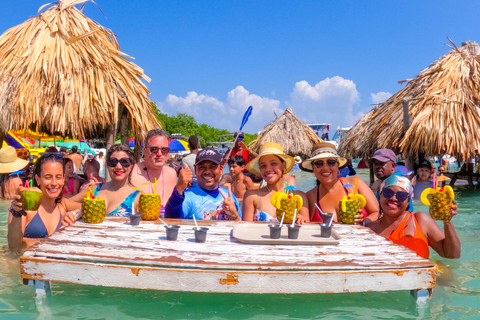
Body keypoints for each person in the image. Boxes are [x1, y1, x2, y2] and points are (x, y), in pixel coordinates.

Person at [365, 175, 460, 259]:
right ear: (380, 195)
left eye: (401, 196)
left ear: (408, 201)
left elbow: (452, 255)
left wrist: (447, 221)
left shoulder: (420, 221)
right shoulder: (368, 228)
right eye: (388, 193)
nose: (393, 198)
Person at [8, 153, 79, 250]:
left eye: (58, 177)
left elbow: (86, 207)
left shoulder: (63, 205)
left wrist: (72, 214)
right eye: (48, 177)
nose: (54, 183)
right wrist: (16, 212)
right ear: (38, 179)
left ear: (63, 179)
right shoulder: (24, 209)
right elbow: (14, 246)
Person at [302, 142, 378, 223]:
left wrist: (363, 222)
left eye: (331, 162)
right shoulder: (309, 197)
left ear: (337, 165)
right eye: (319, 163)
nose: (325, 167)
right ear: (313, 168)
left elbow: (377, 213)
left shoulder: (355, 183)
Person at [166, 147, 241, 221]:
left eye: (213, 167)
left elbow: (242, 228)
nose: (207, 171)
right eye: (202, 167)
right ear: (195, 170)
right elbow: (171, 219)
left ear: (221, 169)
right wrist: (179, 188)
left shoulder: (230, 197)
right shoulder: (188, 197)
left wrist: (234, 217)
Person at [242, 142, 309, 223]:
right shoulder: (252, 196)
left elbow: (306, 229)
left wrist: (300, 220)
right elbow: (246, 229)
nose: (268, 169)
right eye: (263, 166)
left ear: (283, 165)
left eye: (273, 163)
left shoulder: (299, 197)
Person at [131, 129, 179, 217]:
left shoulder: (172, 173)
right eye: (154, 149)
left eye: (164, 149)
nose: (159, 153)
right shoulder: (132, 171)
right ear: (145, 151)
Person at [87, 144, 140, 216]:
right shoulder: (94, 190)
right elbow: (66, 203)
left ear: (132, 166)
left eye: (124, 162)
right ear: (107, 165)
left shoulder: (137, 198)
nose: (118, 167)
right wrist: (72, 213)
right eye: (113, 162)